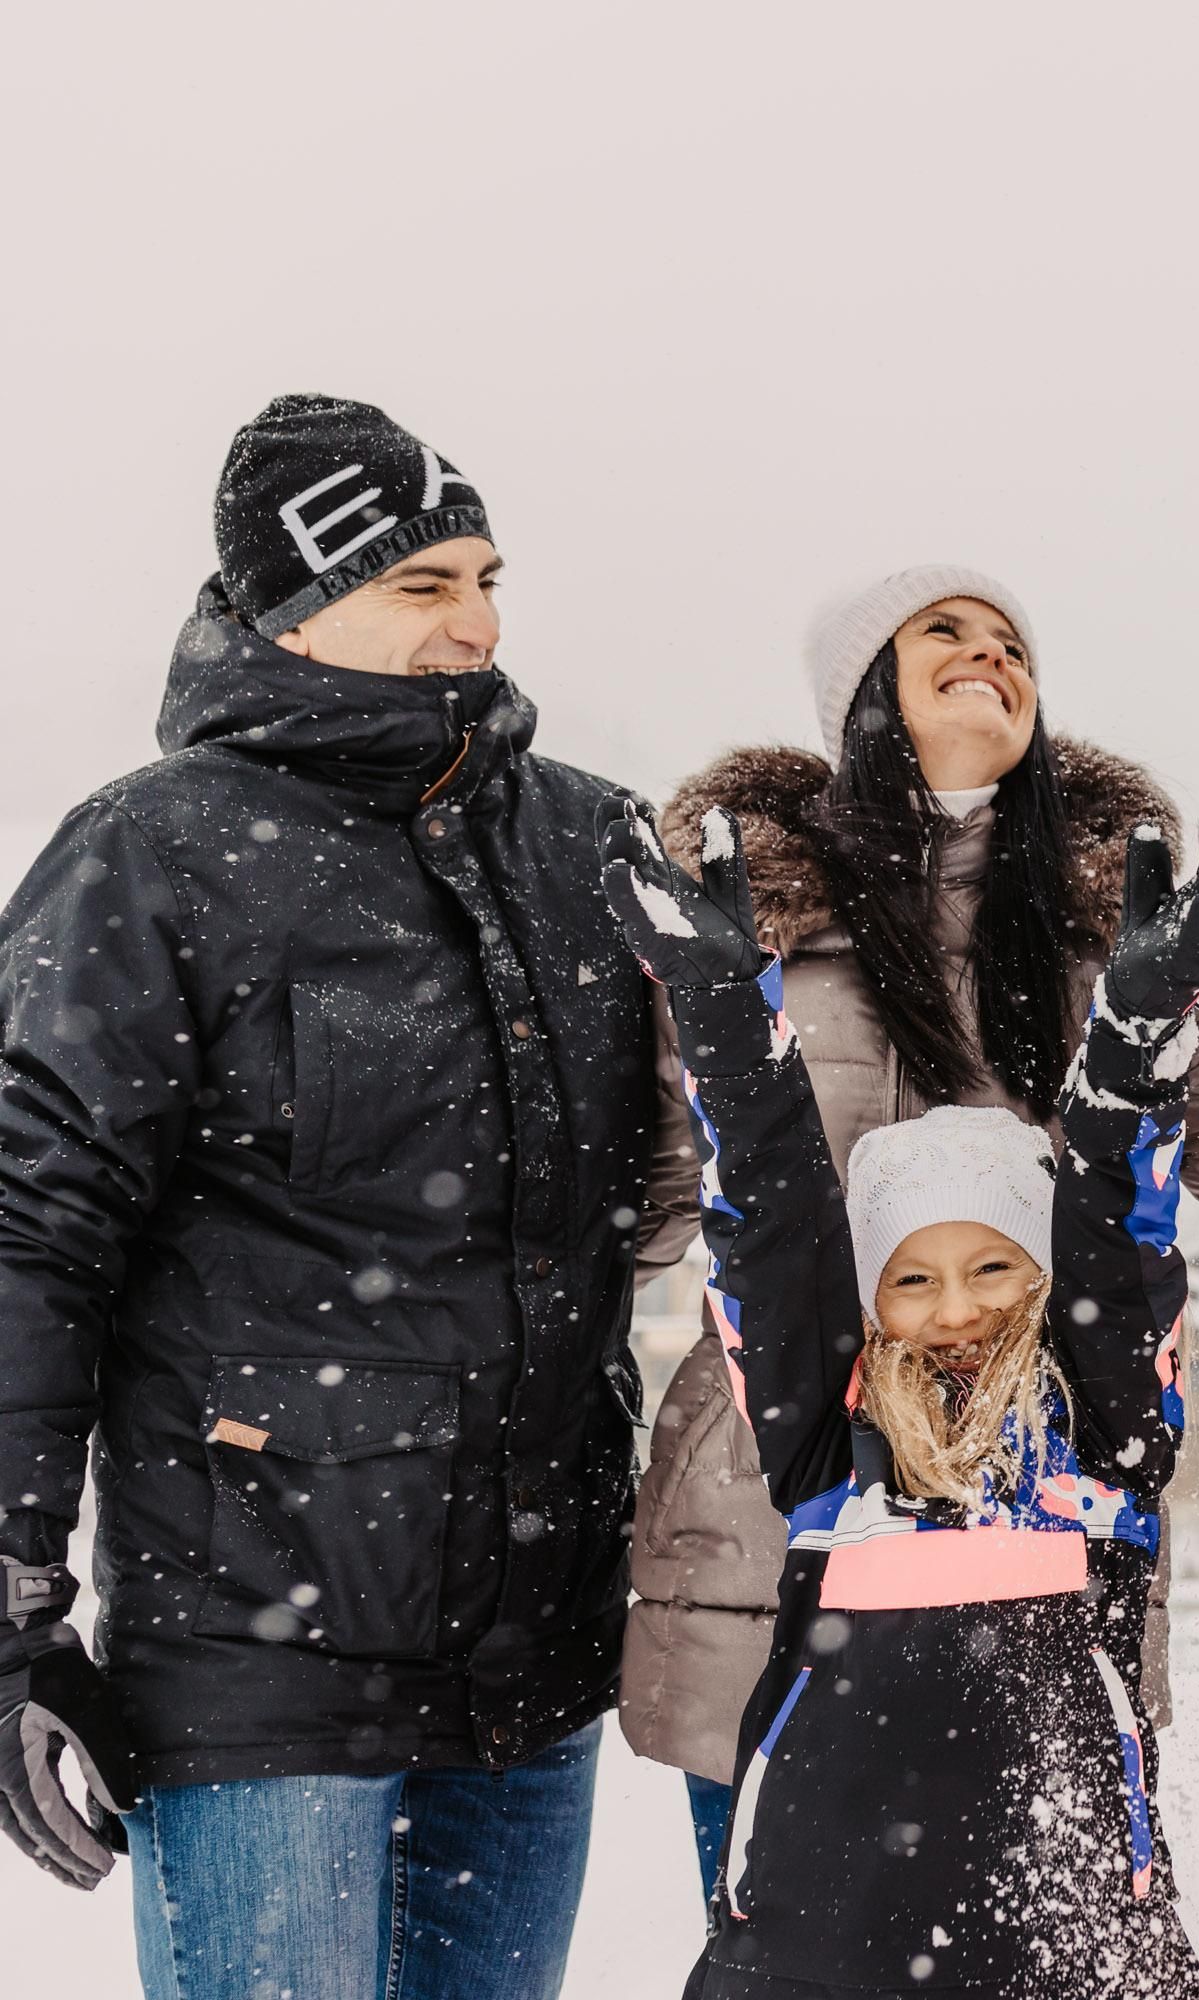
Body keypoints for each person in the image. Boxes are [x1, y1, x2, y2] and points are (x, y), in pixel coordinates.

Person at [0, 396, 695, 1996]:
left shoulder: (589, 840)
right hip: (260, 1652)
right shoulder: (152, 855)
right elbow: (31, 1235)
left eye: (487, 578)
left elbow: (694, 1177)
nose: (479, 625)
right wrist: (16, 1605)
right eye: (421, 586)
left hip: (534, 1648)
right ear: (291, 612)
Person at [625, 568, 1199, 1903]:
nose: (988, 655)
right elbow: (622, 1208)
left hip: (1051, 1508)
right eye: (944, 630)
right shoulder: (744, 940)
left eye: (1012, 644)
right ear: (858, 689)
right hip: (773, 1520)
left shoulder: (1110, 952)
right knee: (792, 1956)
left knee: (1056, 1952)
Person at [603, 790, 1199, 2000]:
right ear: (871, 1299)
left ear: (1043, 1277)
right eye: (915, 1277)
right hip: (815, 1952)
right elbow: (768, 1230)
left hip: (1069, 1946)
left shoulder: (1102, 1433)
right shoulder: (830, 1443)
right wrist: (728, 1026)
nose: (955, 1308)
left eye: (994, 1266)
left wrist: (1137, 1038)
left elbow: (1120, 1234)